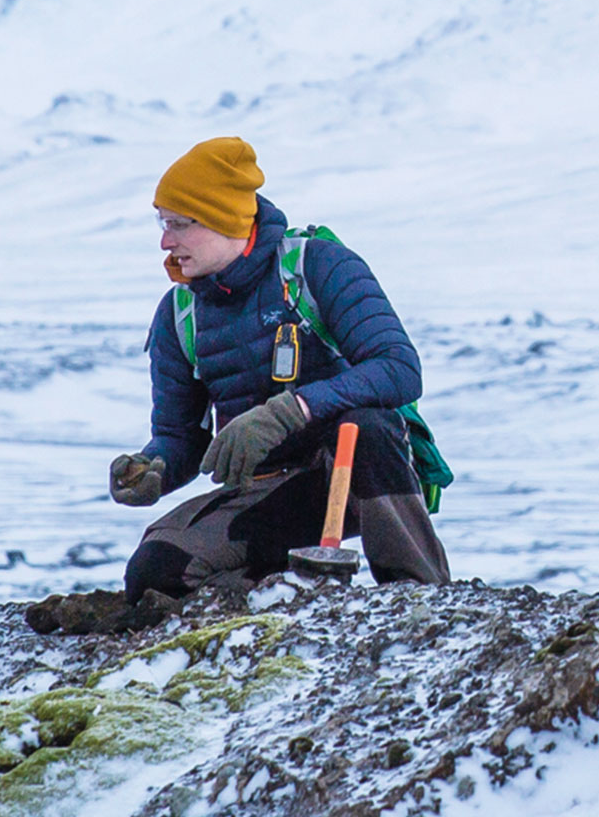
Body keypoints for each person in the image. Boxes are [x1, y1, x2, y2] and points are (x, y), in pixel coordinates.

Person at [109, 137, 450, 599]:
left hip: (354, 473)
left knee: (366, 425)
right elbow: (181, 436)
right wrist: (156, 468)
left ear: (222, 218)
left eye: (179, 224)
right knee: (157, 571)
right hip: (270, 490)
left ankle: (421, 598)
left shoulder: (318, 267)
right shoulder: (179, 314)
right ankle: (281, 596)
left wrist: (289, 412)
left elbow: (399, 369)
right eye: (163, 223)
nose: (166, 241)